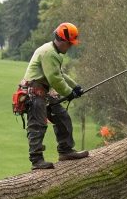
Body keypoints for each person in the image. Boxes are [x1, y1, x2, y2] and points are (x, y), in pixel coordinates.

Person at [20, 22, 89, 170]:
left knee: (62, 116)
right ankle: (36, 160)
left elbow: (59, 74)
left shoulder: (53, 52)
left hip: (44, 91)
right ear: (63, 41)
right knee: (38, 125)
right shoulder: (49, 52)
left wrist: (75, 86)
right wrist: (69, 92)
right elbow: (54, 79)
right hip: (34, 92)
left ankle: (65, 150)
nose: (70, 47)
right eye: (69, 44)